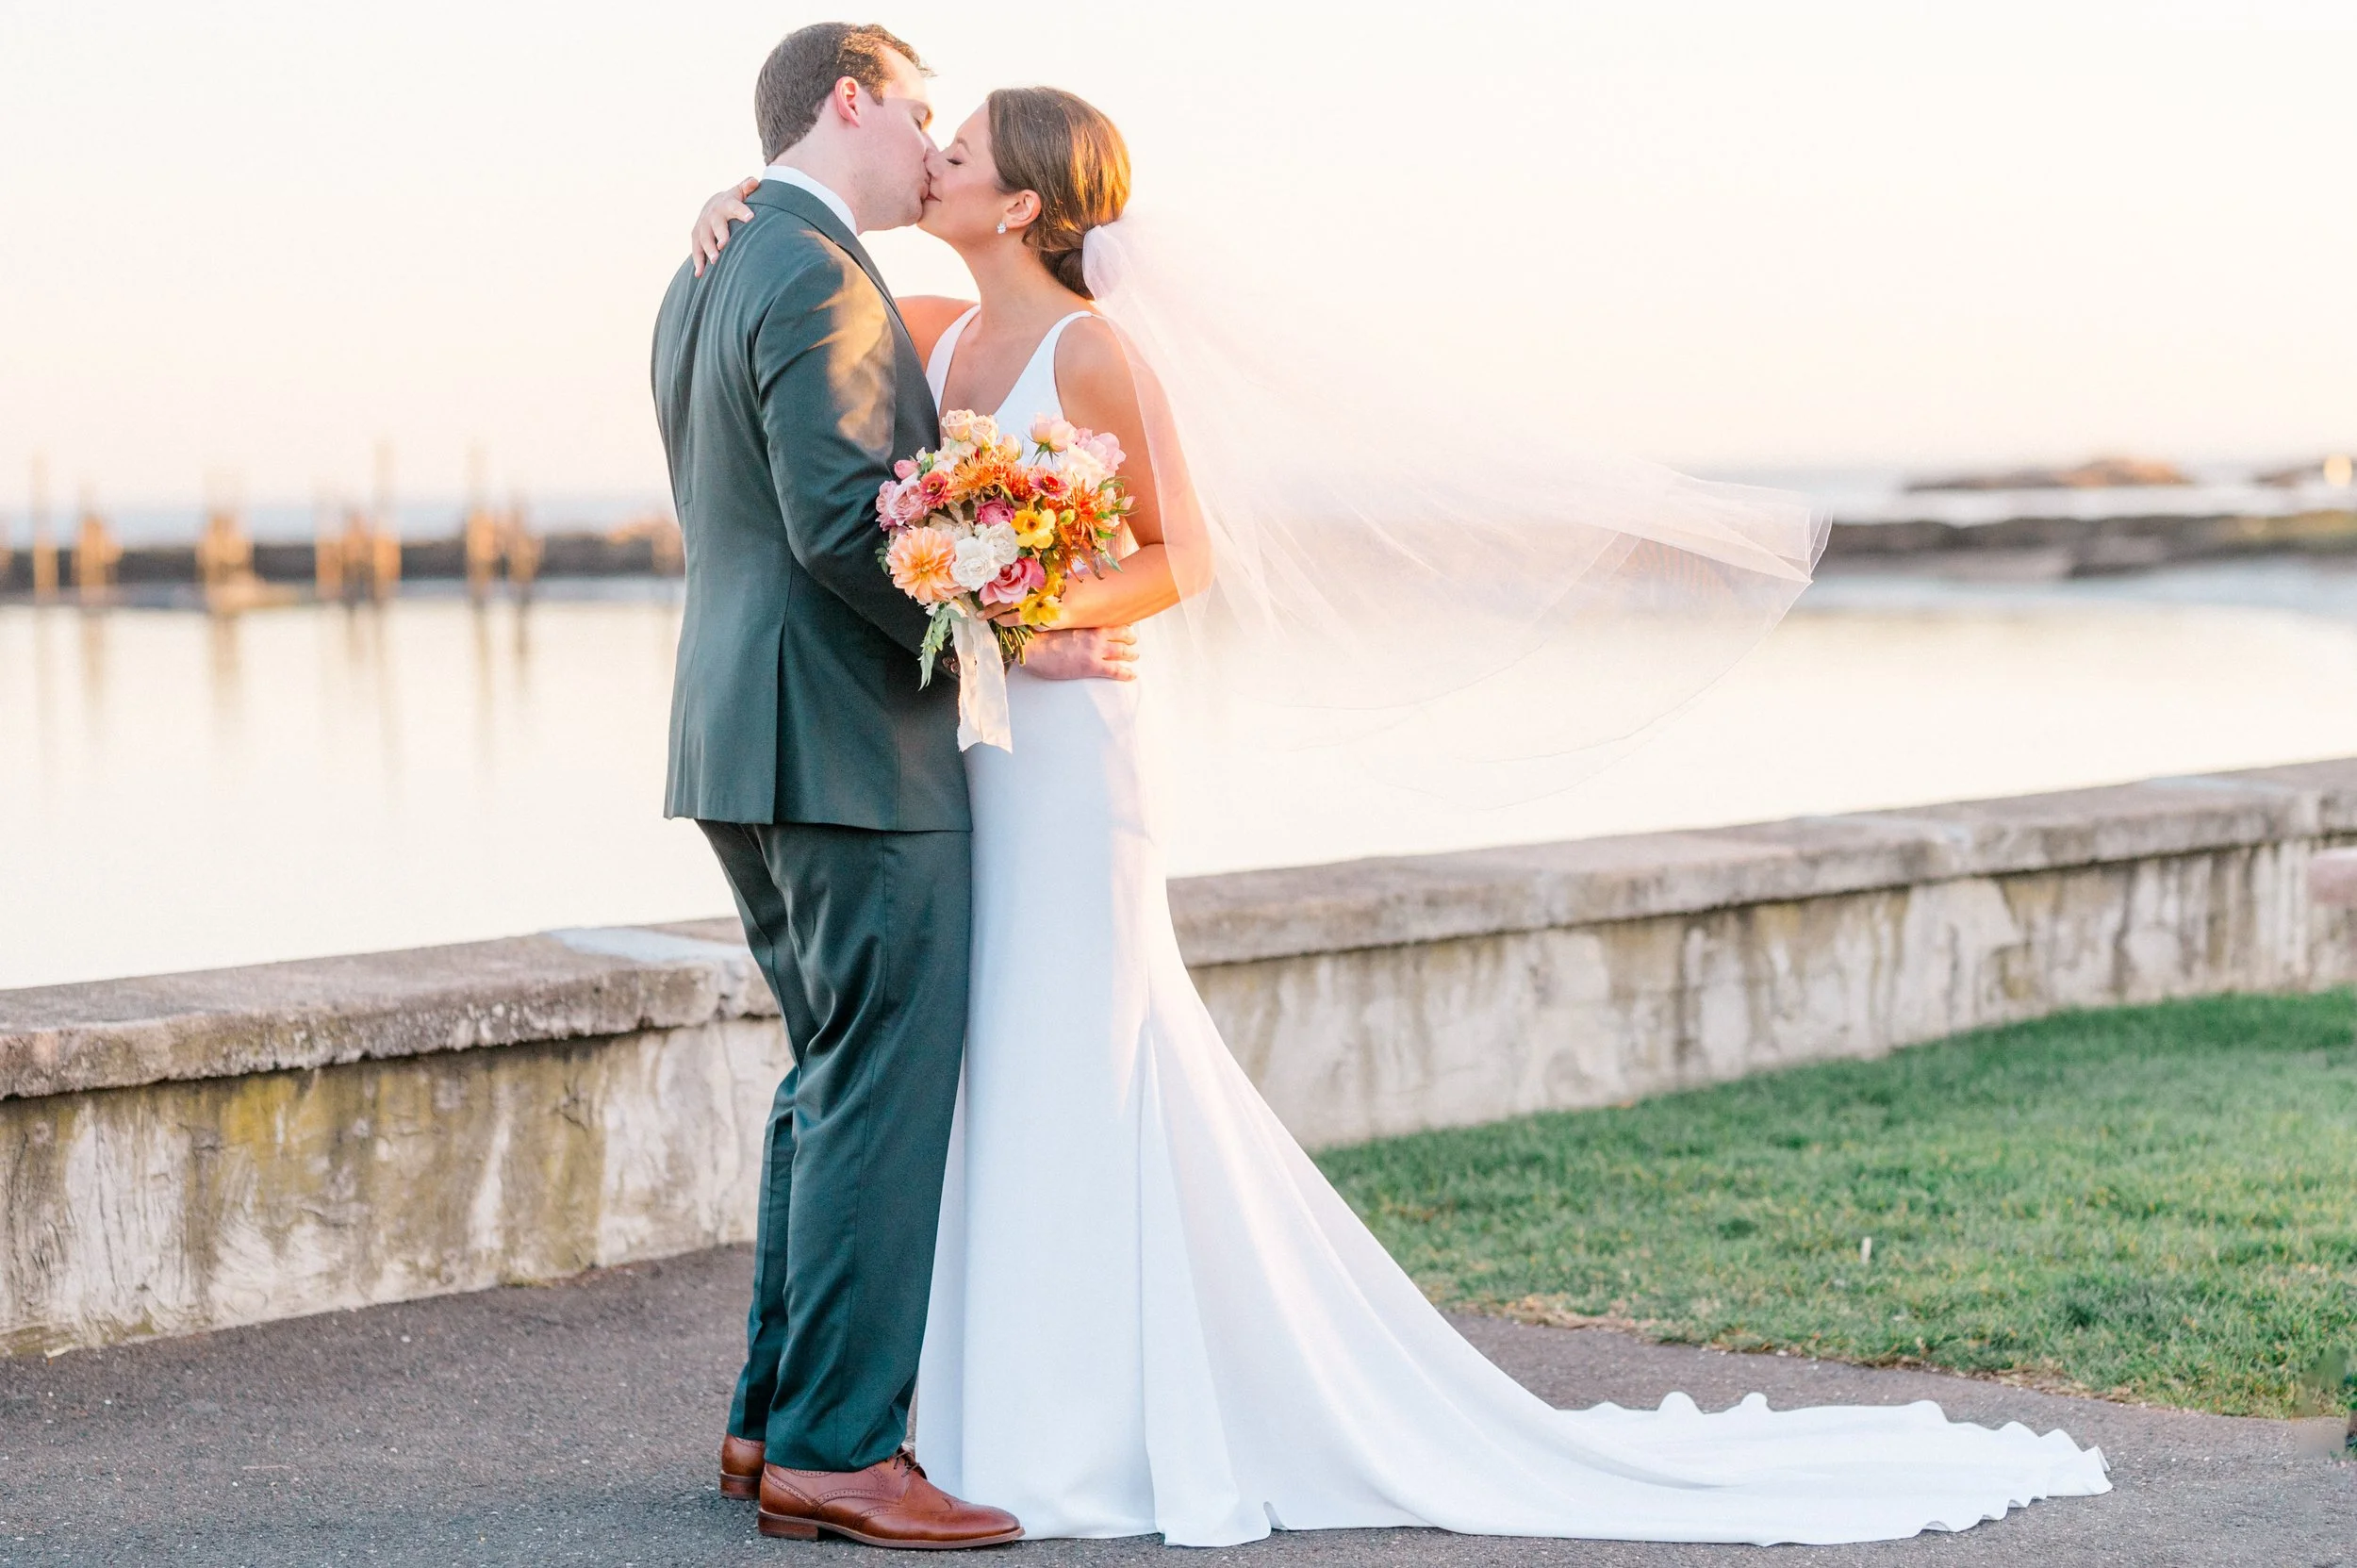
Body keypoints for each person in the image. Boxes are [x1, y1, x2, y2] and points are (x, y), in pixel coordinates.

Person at [682, 60, 2112, 1554]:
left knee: (1080, 1053)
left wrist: (1032, 612)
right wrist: (722, 206)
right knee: (979, 1071)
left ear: (1022, 200)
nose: (933, 157)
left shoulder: (1098, 357)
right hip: (974, 749)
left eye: (958, 145)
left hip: (1077, 750)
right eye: (930, 131)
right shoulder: (933, 329)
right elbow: (805, 349)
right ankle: (958, 1406)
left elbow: (1188, 554)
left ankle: (1083, 1416)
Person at [650, 22, 1136, 1551]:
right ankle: (841, 1449)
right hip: (851, 747)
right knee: (879, 1086)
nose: (933, 148)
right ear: (849, 102)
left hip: (741, 735)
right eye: (921, 114)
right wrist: (1010, 632)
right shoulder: (806, 270)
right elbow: (838, 525)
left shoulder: (713, 263)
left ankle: (765, 1419)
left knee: (823, 1075)